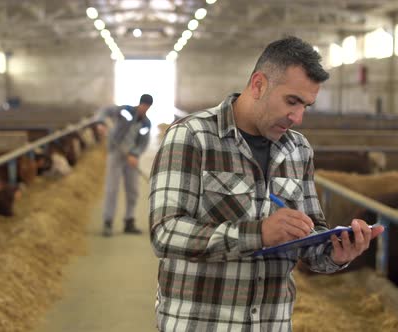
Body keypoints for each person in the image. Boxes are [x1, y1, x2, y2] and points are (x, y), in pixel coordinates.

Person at [149, 36, 384, 331]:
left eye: (306, 106)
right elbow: (165, 233)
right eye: (292, 101)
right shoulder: (192, 137)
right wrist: (257, 233)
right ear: (259, 84)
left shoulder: (298, 150)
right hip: (202, 323)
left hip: (271, 323)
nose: (297, 117)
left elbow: (311, 235)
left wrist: (335, 253)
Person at [97, 94, 153, 237]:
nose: (144, 108)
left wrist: (135, 154)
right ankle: (107, 222)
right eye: (143, 105)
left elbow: (143, 143)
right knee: (112, 188)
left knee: (133, 190)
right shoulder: (126, 110)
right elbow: (105, 110)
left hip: (131, 158)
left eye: (147, 107)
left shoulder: (146, 124)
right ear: (140, 104)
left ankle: (129, 221)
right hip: (116, 152)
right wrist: (101, 122)